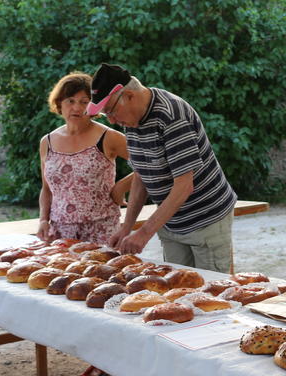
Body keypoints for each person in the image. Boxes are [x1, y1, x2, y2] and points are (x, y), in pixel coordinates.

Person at [85, 63, 237, 273]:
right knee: (176, 289)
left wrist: (145, 232)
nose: (112, 120)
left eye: (110, 110)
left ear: (129, 96)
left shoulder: (171, 116)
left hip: (206, 218)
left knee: (213, 289)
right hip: (172, 222)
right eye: (105, 114)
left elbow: (184, 186)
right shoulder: (131, 120)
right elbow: (141, 176)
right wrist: (127, 228)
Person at [37, 71, 133, 376]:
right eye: (70, 101)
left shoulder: (109, 136)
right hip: (62, 233)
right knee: (69, 296)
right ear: (59, 103)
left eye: (84, 101)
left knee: (102, 296)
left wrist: (122, 186)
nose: (77, 107)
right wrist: (42, 220)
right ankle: (89, 352)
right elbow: (47, 188)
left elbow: (150, 162)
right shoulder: (47, 142)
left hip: (101, 230)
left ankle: (103, 359)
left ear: (94, 105)